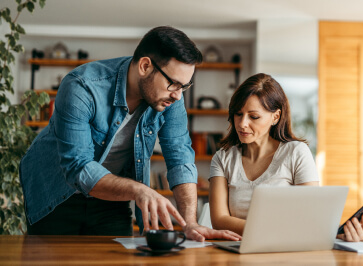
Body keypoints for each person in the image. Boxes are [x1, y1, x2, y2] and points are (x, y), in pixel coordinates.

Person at [20, 26, 240, 241]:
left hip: (112, 197)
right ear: (145, 66)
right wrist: (138, 189)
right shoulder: (82, 87)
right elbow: (78, 167)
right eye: (173, 84)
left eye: (185, 86)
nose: (178, 96)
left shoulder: (171, 97)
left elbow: (180, 158)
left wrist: (190, 223)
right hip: (56, 193)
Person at [209, 73, 363, 242]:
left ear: (275, 116)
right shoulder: (223, 158)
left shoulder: (296, 153)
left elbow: (311, 217)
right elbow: (219, 221)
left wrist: (335, 233)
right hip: (236, 251)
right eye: (238, 114)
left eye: (254, 116)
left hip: (286, 250)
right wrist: (280, 229)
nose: (242, 123)